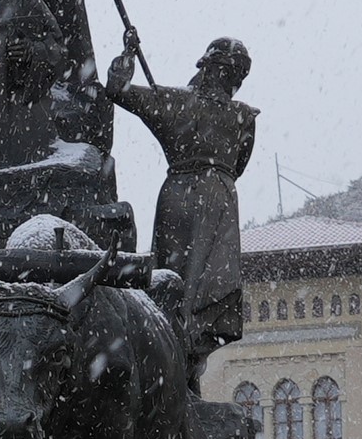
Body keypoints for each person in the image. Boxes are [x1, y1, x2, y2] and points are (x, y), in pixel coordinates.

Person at [107, 33, 259, 366]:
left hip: (190, 196)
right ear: (217, 68)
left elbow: (117, 89)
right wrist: (128, 54)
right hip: (210, 198)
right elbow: (117, 89)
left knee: (188, 283)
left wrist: (127, 60)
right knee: (187, 283)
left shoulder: (181, 104)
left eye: (238, 74)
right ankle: (179, 351)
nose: (234, 80)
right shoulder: (236, 117)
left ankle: (181, 352)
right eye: (233, 71)